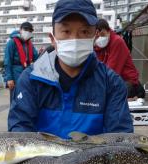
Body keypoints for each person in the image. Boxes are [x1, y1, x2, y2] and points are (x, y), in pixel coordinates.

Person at [8, 0, 133, 139]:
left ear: (95, 37)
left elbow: (120, 141)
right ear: (52, 38)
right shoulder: (30, 80)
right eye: (66, 31)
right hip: (42, 160)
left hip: (95, 160)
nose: (74, 39)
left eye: (84, 31)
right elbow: (19, 137)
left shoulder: (112, 84)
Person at [94, 19, 145, 99]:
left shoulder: (117, 41)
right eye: (97, 36)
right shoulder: (97, 46)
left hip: (128, 82)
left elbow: (112, 70)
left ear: (108, 31)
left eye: (103, 34)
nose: (100, 38)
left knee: (106, 97)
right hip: (113, 82)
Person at [4, 22, 39, 99]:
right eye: (26, 29)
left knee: (26, 98)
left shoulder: (30, 44)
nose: (28, 32)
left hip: (27, 74)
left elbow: (36, 58)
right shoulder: (12, 42)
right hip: (16, 75)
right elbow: (7, 61)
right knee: (15, 99)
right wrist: (9, 78)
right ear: (20, 30)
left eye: (30, 31)